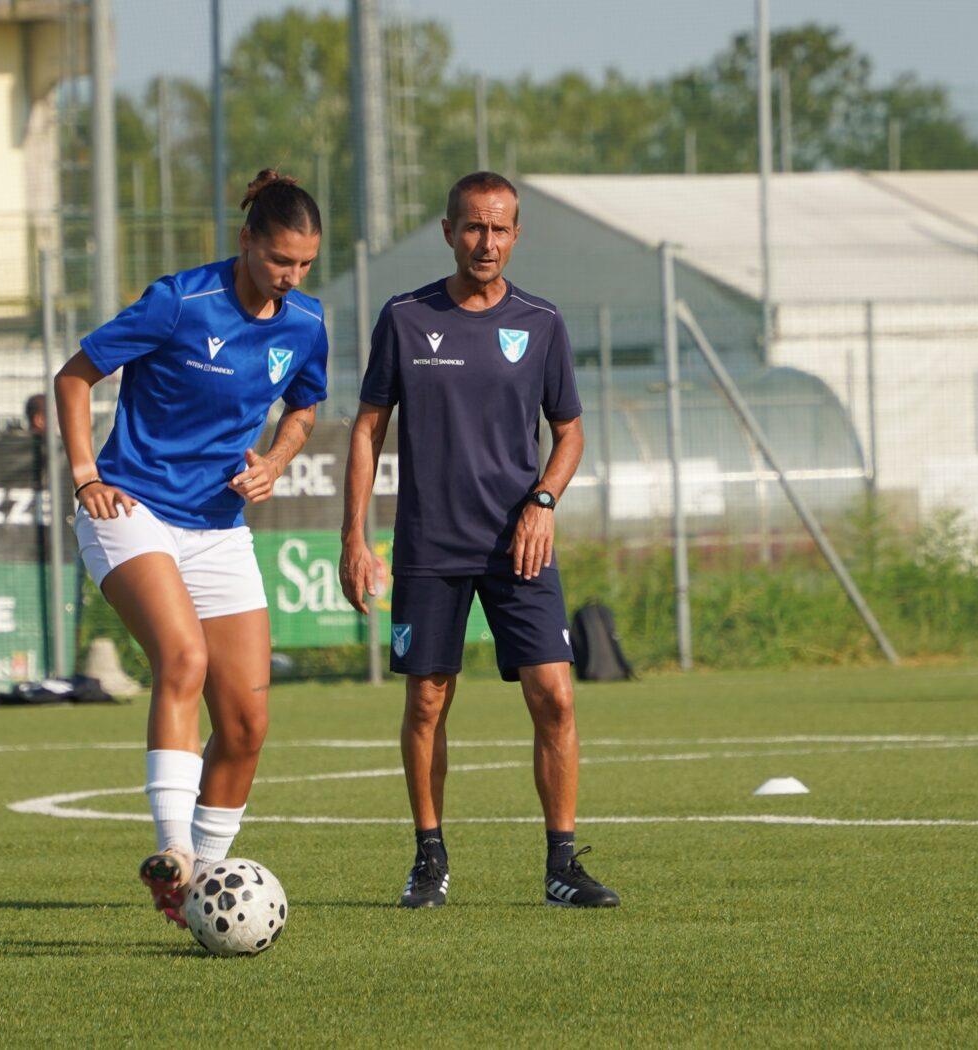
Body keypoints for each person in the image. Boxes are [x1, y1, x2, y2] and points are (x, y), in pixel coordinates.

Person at [54, 170, 327, 929]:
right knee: (183, 659)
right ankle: (173, 852)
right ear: (246, 241)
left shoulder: (305, 322)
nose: (290, 277)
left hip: (219, 528)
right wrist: (85, 476)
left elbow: (305, 404)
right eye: (279, 260)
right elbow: (73, 378)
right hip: (131, 508)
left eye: (304, 264)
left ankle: (202, 880)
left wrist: (275, 460)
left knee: (246, 725)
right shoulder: (180, 300)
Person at [340, 171, 618, 910]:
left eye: (498, 229)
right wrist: (354, 538)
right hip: (430, 544)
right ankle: (429, 859)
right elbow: (368, 429)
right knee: (428, 701)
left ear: (516, 234)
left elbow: (571, 431)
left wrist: (544, 502)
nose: (485, 242)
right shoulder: (404, 317)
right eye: (472, 227)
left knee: (555, 697)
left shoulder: (542, 322)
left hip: (519, 543)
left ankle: (563, 865)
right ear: (447, 229)